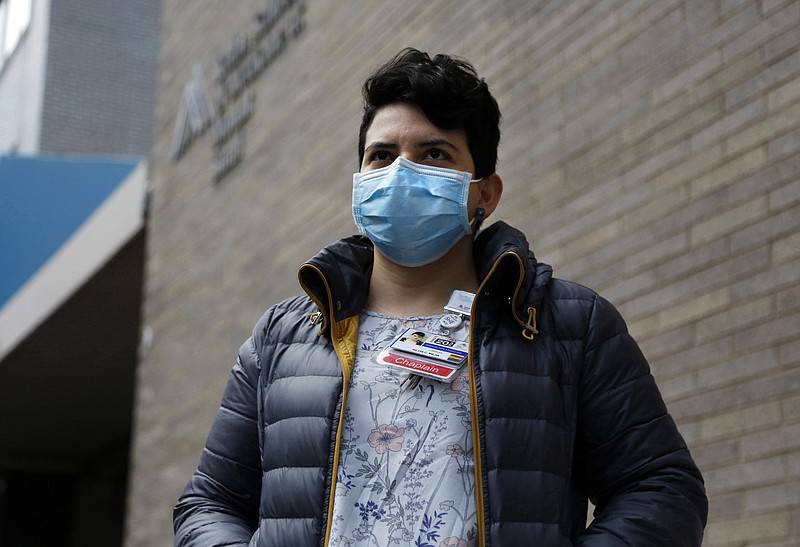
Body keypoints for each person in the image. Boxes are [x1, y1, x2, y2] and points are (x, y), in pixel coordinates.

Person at [174, 48, 708, 546]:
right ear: (359, 182)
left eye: (433, 152)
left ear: (485, 193)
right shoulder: (283, 337)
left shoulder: (567, 324)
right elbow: (210, 502)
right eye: (381, 155)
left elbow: (661, 488)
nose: (400, 171)